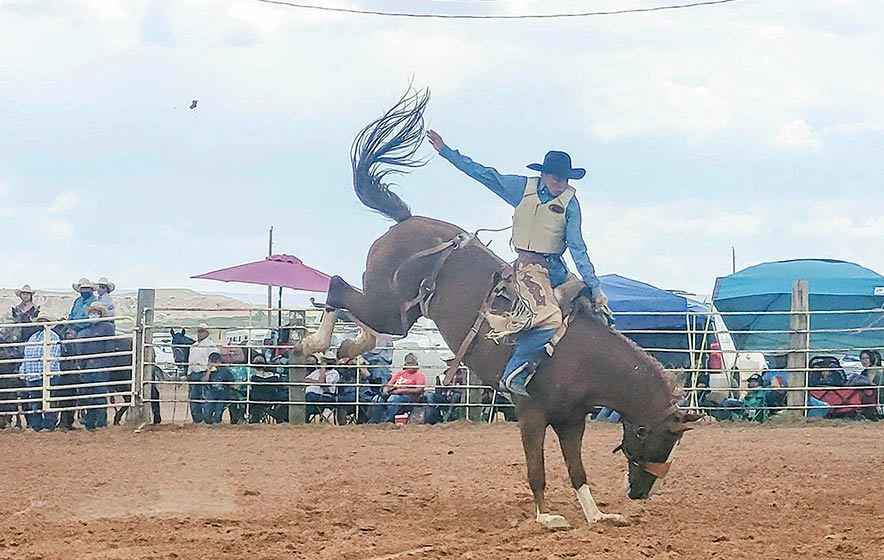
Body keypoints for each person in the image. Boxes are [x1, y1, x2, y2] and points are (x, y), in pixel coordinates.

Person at [427, 130, 606, 397]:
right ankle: (514, 369)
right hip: (528, 267)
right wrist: (446, 152)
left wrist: (594, 286)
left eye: (565, 179)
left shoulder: (570, 203)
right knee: (549, 318)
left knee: (596, 314)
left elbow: (578, 247)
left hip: (556, 269)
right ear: (545, 175)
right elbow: (484, 174)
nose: (561, 183)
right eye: (557, 177)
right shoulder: (523, 189)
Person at [75, 302, 116, 430]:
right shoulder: (86, 330)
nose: (93, 315)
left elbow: (109, 347)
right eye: (92, 312)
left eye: (96, 313)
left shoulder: (107, 328)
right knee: (89, 393)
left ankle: (100, 420)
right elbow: (82, 349)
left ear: (100, 314)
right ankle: (91, 420)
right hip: (89, 364)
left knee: (99, 392)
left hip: (100, 363)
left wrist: (106, 362)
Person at [18, 317, 62, 431]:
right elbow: (26, 356)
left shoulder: (52, 336)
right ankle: (36, 425)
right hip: (33, 374)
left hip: (46, 374)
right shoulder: (33, 337)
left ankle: (48, 424)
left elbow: (54, 356)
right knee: (35, 401)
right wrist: (23, 371)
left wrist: (48, 372)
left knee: (47, 399)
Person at [371, 353, 426, 423]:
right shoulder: (400, 373)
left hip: (409, 396)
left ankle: (388, 421)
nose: (411, 365)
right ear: (405, 364)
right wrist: (385, 390)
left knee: (393, 399)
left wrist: (401, 391)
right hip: (395, 393)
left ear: (416, 364)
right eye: (409, 363)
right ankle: (375, 421)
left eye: (413, 363)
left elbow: (419, 390)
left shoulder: (419, 375)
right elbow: (389, 384)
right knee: (377, 398)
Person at [186, 323, 217, 424]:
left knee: (204, 397)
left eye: (202, 331)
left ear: (207, 333)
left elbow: (214, 361)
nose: (200, 333)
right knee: (194, 397)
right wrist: (189, 373)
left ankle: (205, 418)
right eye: (199, 331)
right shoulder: (193, 346)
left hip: (204, 373)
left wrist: (209, 373)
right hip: (194, 373)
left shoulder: (210, 345)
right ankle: (197, 419)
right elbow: (190, 361)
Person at [425, 357, 466, 424]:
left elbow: (464, 390)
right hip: (445, 397)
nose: (448, 363)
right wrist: (440, 383)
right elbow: (438, 389)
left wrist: (452, 387)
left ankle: (448, 416)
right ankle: (435, 418)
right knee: (431, 395)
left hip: (456, 398)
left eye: (449, 361)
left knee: (456, 396)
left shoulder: (463, 374)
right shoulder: (445, 373)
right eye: (447, 362)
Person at [305, 353, 340, 422]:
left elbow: (323, 385)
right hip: (310, 395)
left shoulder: (334, 373)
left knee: (308, 398)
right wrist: (316, 382)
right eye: (326, 361)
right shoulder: (316, 371)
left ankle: (303, 421)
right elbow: (305, 380)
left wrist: (323, 370)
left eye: (329, 361)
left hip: (324, 396)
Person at [204, 352, 234, 425]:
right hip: (212, 394)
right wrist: (209, 371)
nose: (214, 364)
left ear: (219, 362)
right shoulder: (208, 371)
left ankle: (217, 424)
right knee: (207, 415)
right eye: (212, 362)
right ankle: (210, 424)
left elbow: (231, 382)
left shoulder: (224, 371)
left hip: (222, 395)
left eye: (215, 362)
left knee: (218, 413)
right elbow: (204, 381)